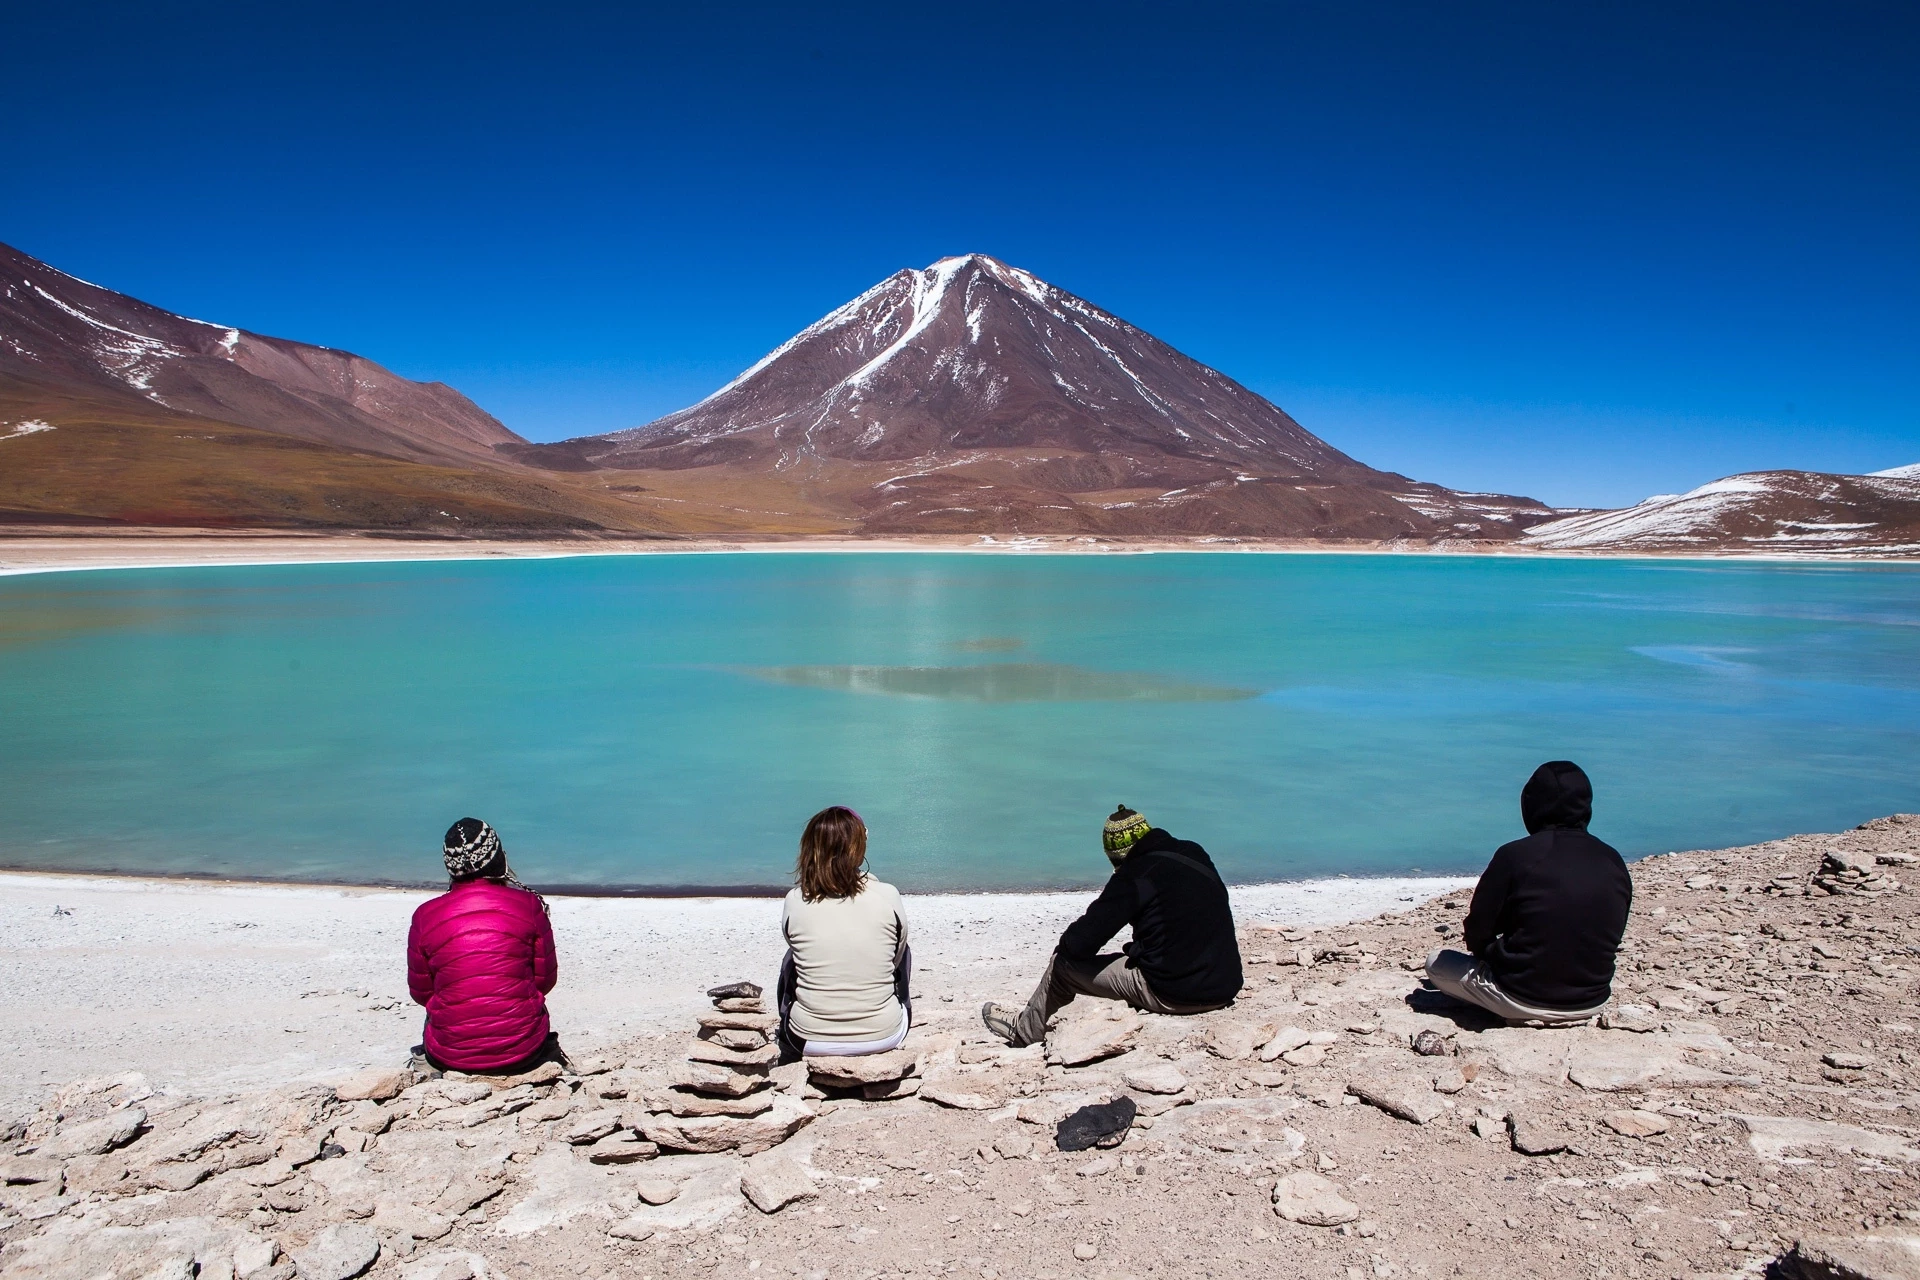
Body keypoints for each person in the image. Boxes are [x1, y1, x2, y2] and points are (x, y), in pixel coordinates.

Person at [981, 805, 1242, 1047]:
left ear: (1117, 856)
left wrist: (1064, 946)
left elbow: (1083, 940)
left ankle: (1024, 1032)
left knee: (1062, 967)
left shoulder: (1134, 875)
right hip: (1225, 984)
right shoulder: (1193, 852)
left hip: (1176, 992)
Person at [1425, 761, 1632, 1025]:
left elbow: (1478, 928)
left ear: (1531, 806)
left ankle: (1510, 1010)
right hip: (1592, 1000)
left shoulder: (1514, 856)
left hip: (1520, 997)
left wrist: (1492, 953)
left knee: (1437, 962)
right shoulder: (1612, 859)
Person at [406, 818, 564, 1074]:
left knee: (440, 1006)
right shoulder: (529, 906)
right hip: (524, 1049)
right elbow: (544, 981)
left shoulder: (425, 916)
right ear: (497, 857)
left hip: (450, 1055)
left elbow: (422, 993)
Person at [776, 806, 912, 1060]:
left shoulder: (795, 900)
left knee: (792, 957)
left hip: (807, 1040)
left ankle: (797, 1019)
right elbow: (895, 957)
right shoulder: (887, 895)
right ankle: (888, 1007)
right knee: (901, 950)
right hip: (884, 1035)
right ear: (859, 848)